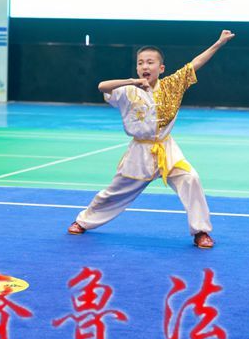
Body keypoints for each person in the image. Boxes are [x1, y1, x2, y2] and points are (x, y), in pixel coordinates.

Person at [67, 30, 237, 249]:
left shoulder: (172, 85)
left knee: (191, 179)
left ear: (161, 68)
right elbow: (102, 86)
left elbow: (195, 64)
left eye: (150, 62)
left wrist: (219, 43)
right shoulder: (127, 90)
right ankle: (83, 221)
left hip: (167, 150)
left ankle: (201, 231)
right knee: (115, 192)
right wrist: (132, 82)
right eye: (140, 63)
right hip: (139, 152)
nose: (145, 66)